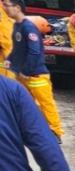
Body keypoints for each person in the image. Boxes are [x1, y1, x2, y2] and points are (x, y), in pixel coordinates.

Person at [2, 0, 63, 139]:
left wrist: (26, 71)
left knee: (45, 104)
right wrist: (9, 60)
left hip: (36, 75)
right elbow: (17, 49)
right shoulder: (17, 26)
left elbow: (34, 52)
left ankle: (55, 131)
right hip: (23, 76)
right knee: (24, 104)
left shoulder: (28, 27)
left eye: (7, 6)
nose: (5, 9)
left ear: (17, 8)